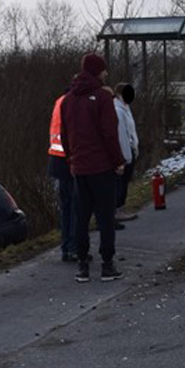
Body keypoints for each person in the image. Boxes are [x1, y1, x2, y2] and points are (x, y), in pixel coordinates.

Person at [61, 53, 127, 282]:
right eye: (104, 70)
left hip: (79, 168)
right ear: (97, 71)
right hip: (101, 167)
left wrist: (71, 159)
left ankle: (82, 264)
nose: (106, 73)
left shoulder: (68, 100)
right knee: (106, 216)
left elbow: (64, 135)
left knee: (81, 217)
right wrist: (118, 161)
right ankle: (107, 264)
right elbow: (110, 133)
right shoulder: (102, 98)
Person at [46, 94, 77, 262]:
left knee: (66, 207)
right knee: (75, 206)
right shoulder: (72, 102)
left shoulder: (60, 101)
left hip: (56, 159)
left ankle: (66, 246)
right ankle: (73, 247)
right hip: (68, 160)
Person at [114, 83, 139, 225]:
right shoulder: (118, 110)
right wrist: (126, 155)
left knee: (124, 183)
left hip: (130, 149)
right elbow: (121, 134)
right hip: (125, 151)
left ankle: (121, 207)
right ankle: (118, 209)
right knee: (121, 183)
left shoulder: (125, 109)